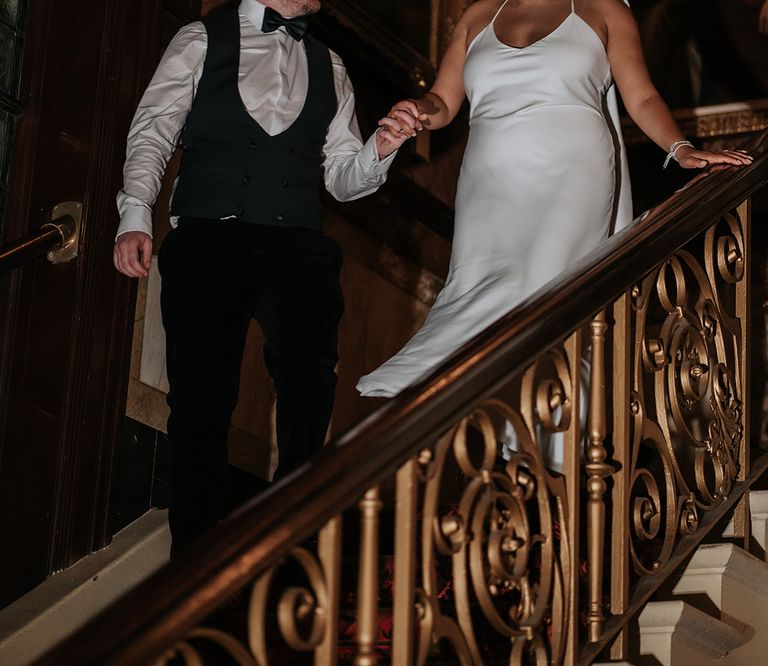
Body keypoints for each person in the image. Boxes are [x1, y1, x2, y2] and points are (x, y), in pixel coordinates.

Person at [113, 0, 410, 554]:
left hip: (297, 245)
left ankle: (287, 546)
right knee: (201, 405)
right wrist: (135, 214)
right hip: (208, 237)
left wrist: (381, 149)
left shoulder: (331, 65)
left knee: (310, 388)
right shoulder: (200, 39)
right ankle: (192, 568)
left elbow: (343, 179)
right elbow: (153, 129)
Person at [357, 0, 751, 399]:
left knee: (544, 287)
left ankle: (544, 422)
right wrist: (417, 110)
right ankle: (492, 415)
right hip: (490, 181)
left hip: (574, 171)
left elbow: (642, 96)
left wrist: (681, 148)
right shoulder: (478, 14)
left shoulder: (605, 8)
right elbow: (443, 101)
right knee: (474, 286)